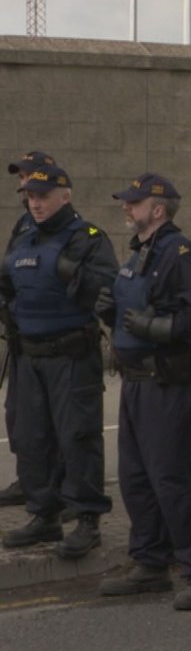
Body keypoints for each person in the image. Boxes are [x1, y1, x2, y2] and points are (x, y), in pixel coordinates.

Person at [94, 173, 191, 610]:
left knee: (173, 475)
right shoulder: (139, 254)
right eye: (126, 201)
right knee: (136, 476)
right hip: (135, 384)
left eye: (134, 202)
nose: (126, 208)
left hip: (166, 383)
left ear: (159, 208)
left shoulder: (180, 253)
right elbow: (136, 308)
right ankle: (150, 560)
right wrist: (111, 312)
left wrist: (163, 327)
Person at [0, 163, 116, 558]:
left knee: (78, 437)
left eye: (43, 196)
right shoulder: (24, 236)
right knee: (33, 439)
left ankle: (86, 520)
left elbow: (106, 288)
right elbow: (8, 282)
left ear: (64, 196)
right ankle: (44, 514)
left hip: (71, 355)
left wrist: (68, 273)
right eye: (30, 197)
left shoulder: (87, 238)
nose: (35, 204)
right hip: (30, 356)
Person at [0, 151, 61, 509]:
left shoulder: (57, 225)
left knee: (49, 420)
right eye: (21, 177)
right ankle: (31, 478)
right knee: (18, 414)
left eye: (28, 175)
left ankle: (55, 486)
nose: (22, 184)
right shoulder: (24, 224)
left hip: (51, 343)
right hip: (22, 336)